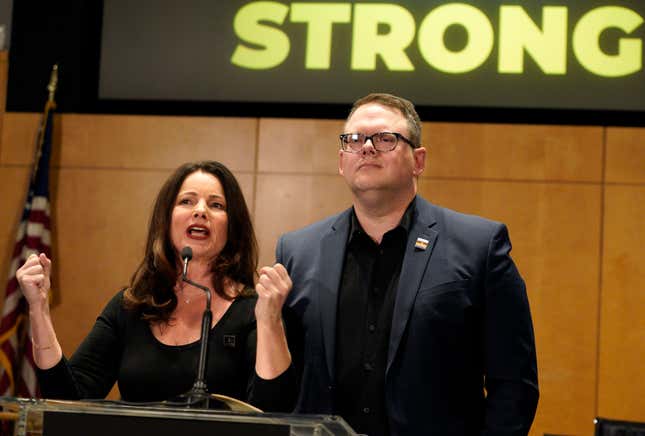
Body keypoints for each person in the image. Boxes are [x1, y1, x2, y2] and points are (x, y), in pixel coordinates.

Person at [277, 93, 539, 435]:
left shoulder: (479, 246)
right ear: (342, 161)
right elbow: (283, 384)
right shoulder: (298, 252)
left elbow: (514, 385)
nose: (367, 147)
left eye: (385, 139)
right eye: (354, 140)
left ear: (419, 160)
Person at [17, 160, 296, 412]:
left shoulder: (253, 312)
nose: (200, 211)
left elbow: (273, 412)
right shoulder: (131, 307)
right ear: (166, 220)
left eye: (216, 205)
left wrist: (270, 320)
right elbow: (67, 400)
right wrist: (39, 309)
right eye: (187, 201)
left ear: (232, 227)